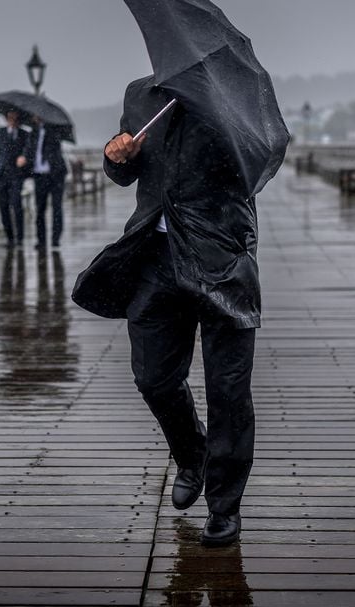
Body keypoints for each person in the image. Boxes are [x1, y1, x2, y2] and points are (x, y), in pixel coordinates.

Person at [72, 76, 260, 546]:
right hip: (155, 257)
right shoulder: (141, 95)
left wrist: (214, 116)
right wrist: (116, 156)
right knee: (153, 377)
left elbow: (256, 165)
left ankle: (224, 506)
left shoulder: (235, 95)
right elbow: (128, 172)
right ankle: (191, 453)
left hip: (222, 258)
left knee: (228, 391)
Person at [22, 116, 69, 249]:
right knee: (40, 209)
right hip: (39, 175)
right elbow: (29, 150)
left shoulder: (54, 130)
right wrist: (25, 158)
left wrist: (48, 127)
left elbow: (55, 147)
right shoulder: (33, 133)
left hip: (56, 174)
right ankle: (41, 241)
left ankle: (55, 239)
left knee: (57, 208)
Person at [0, 111, 30, 247]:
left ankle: (20, 238)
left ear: (19, 120)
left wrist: (24, 160)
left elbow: (30, 153)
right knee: (3, 207)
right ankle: (10, 238)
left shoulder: (24, 134)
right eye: (10, 117)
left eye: (15, 118)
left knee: (17, 206)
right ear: (6, 118)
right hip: (1, 176)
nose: (12, 120)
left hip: (17, 176)